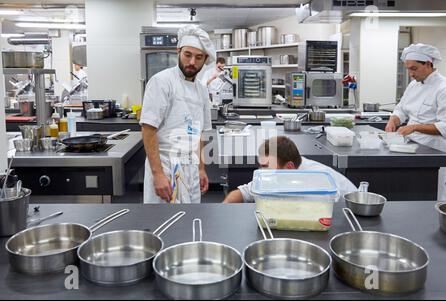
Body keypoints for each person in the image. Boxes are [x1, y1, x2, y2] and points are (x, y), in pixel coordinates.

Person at [139, 25, 215, 203]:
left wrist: (201, 169)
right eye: (187, 55)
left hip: (191, 168)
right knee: (163, 223)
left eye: (198, 57)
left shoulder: (202, 91)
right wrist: (158, 175)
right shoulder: (161, 82)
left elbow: (200, 133)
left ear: (205, 60)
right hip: (165, 165)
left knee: (188, 221)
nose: (191, 62)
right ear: (178, 51)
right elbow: (148, 129)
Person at [223, 136, 357, 203]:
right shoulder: (278, 173)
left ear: (289, 167)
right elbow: (244, 192)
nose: (261, 171)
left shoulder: (316, 183)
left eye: (266, 166)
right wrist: (224, 206)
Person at [385, 43, 446, 152]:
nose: (411, 74)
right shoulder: (414, 85)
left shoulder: (442, 88)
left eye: (414, 68)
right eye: (408, 69)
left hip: (433, 148)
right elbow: (401, 109)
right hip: (410, 142)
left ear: (428, 64)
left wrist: (414, 127)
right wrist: (393, 120)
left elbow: (444, 125)